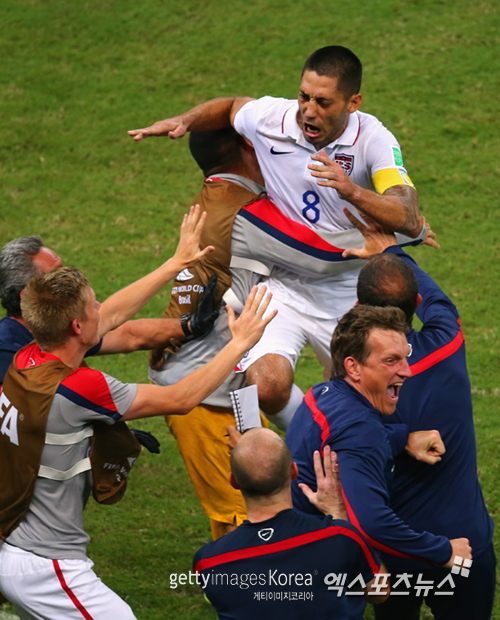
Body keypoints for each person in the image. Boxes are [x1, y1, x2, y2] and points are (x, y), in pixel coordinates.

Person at [128, 44, 433, 430]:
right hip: (284, 285)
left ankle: (367, 453)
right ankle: (317, 439)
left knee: (369, 393)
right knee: (267, 386)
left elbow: (405, 211)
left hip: (348, 290)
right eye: (304, 96)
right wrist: (184, 120)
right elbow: (231, 106)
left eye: (323, 102)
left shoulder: (373, 140)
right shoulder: (273, 118)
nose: (308, 110)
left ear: (353, 102)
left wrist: (352, 191)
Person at [0, 208, 276, 620]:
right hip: (48, 563)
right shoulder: (82, 386)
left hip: (13, 540)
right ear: (76, 327)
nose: (103, 311)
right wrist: (238, 344)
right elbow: (182, 397)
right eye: (93, 307)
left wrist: (176, 263)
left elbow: (111, 318)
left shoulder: (25, 356)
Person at [340, 213, 496, 619]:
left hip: (396, 557)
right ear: (414, 306)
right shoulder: (448, 343)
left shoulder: (353, 385)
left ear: (360, 308)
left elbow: (345, 445)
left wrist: (399, 439)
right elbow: (431, 296)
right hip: (465, 548)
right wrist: (391, 249)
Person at [285, 304, 472, 572]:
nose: (406, 371)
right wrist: (444, 551)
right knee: (381, 588)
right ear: (354, 367)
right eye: (390, 360)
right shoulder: (362, 429)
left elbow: (341, 437)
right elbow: (371, 523)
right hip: (318, 566)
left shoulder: (322, 393)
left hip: (291, 545)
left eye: (404, 357)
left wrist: (402, 438)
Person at [193, 428, 389, 619]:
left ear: (233, 481)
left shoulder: (209, 562)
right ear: (294, 471)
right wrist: (338, 514)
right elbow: (379, 592)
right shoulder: (339, 538)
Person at [0, 234, 219, 385]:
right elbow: (178, 400)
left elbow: (129, 335)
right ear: (28, 296)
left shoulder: (60, 327)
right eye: (56, 275)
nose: (70, 277)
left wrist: (190, 325)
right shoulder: (6, 354)